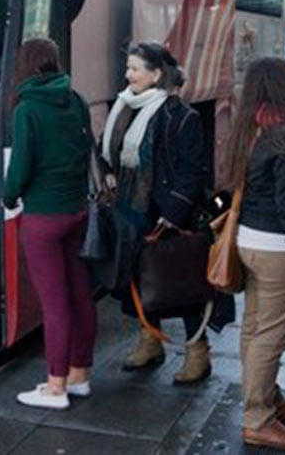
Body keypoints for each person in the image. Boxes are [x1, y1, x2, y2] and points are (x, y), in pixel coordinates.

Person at [225, 57, 285, 452]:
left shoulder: (249, 130)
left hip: (248, 242)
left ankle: (268, 400)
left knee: (255, 328)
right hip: (279, 248)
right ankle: (258, 420)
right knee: (271, 337)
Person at [100, 43, 211, 381]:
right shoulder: (125, 106)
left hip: (167, 214)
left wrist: (174, 213)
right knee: (138, 279)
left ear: (156, 74)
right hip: (131, 210)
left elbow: (193, 170)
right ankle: (150, 340)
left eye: (135, 68)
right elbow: (108, 148)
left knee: (181, 282)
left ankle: (198, 352)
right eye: (129, 68)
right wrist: (108, 169)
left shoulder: (181, 116)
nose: (127, 74)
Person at [3, 38, 95, 410]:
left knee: (53, 304)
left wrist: (9, 197)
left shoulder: (27, 109)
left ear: (24, 67)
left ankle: (55, 387)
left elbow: (20, 167)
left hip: (42, 217)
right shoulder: (75, 100)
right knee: (79, 296)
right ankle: (80, 375)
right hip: (76, 212)